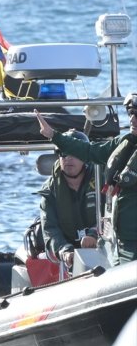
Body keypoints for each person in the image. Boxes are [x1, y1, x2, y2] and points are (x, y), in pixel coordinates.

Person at [37, 94, 137, 265]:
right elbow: (90, 151)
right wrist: (53, 135)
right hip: (119, 242)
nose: (132, 119)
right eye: (130, 113)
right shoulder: (124, 143)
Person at [37, 131, 98, 266]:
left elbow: (112, 215)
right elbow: (50, 229)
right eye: (63, 153)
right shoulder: (49, 191)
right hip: (66, 256)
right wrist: (64, 251)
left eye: (75, 152)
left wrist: (95, 234)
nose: (68, 158)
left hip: (102, 248)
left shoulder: (102, 180)